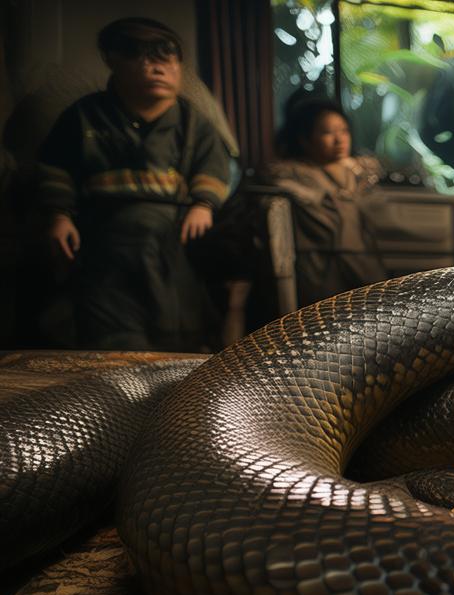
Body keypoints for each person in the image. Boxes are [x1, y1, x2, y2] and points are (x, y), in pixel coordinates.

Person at [36, 17, 233, 351]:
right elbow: (55, 168)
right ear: (111, 60)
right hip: (105, 232)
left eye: (164, 54)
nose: (153, 65)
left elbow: (213, 167)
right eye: (135, 52)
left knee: (177, 319)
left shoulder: (193, 121)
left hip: (174, 234)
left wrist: (203, 204)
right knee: (110, 328)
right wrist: (59, 215)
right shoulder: (84, 115)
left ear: (178, 65)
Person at [266, 96, 388, 308]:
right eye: (327, 132)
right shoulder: (293, 175)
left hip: (359, 265)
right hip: (320, 271)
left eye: (344, 131)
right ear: (305, 139)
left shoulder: (360, 169)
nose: (339, 139)